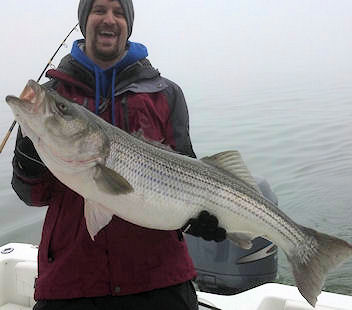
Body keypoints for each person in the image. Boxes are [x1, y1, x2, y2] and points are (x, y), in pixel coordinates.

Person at [11, 0, 226, 309]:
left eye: (119, 12)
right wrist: (29, 155)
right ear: (84, 21)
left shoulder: (165, 94)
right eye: (99, 10)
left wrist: (197, 216)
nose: (109, 19)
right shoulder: (54, 94)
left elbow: (188, 172)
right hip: (70, 281)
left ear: (129, 24)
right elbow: (31, 195)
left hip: (159, 281)